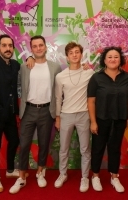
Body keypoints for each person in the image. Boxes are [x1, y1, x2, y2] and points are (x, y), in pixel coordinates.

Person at [0, 34, 34, 193]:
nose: (8, 48)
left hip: (10, 115)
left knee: (14, 141)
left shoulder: (16, 65)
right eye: (4, 45)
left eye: (10, 45)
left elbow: (28, 66)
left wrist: (30, 56)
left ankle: (10, 170)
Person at [9, 35, 61, 194]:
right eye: (35, 46)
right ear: (31, 49)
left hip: (47, 110)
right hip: (28, 110)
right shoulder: (25, 67)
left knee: (44, 144)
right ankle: (22, 177)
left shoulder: (55, 67)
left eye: (41, 45)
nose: (38, 48)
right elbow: (17, 87)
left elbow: (59, 91)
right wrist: (29, 58)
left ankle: (40, 172)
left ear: (45, 47)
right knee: (24, 145)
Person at [87, 46, 128, 193]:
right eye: (110, 57)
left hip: (120, 119)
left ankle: (114, 176)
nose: (113, 59)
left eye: (116, 57)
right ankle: (95, 176)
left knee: (115, 149)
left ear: (120, 59)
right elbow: (91, 101)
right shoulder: (96, 77)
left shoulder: (127, 77)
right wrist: (93, 122)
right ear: (104, 60)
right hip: (101, 119)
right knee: (98, 149)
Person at [54, 42, 94, 192]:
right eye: (71, 53)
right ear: (67, 57)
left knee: (85, 149)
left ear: (81, 55)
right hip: (66, 115)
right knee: (63, 149)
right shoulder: (60, 76)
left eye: (77, 52)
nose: (75, 55)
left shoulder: (89, 73)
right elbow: (58, 98)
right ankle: (62, 174)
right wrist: (58, 117)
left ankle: (85, 177)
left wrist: (88, 67)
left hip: (84, 114)